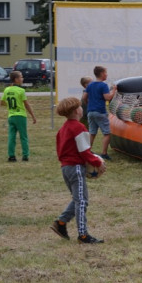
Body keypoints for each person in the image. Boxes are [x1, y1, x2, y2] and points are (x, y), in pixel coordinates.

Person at [50, 97, 106, 244]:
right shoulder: (79, 128)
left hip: (65, 168)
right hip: (75, 167)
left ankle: (61, 223)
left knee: (79, 199)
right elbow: (84, 152)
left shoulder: (63, 129)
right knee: (81, 201)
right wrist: (97, 162)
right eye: (81, 107)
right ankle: (83, 235)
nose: (82, 108)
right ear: (77, 111)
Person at [1, 70, 37, 162]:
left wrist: (10, 105)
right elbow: (26, 104)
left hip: (11, 116)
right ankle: (25, 156)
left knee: (11, 137)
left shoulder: (7, 89)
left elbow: (2, 103)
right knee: (23, 136)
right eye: (21, 77)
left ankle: (11, 156)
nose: (22, 78)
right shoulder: (21, 90)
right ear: (16, 79)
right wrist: (33, 115)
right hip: (20, 116)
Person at [84, 66, 117, 161]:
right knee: (107, 133)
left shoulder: (90, 85)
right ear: (102, 74)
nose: (107, 74)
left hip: (90, 112)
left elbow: (84, 97)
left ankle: (87, 151)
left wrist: (88, 104)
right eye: (106, 72)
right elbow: (107, 97)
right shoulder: (103, 85)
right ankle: (104, 153)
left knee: (92, 132)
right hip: (100, 112)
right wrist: (114, 90)